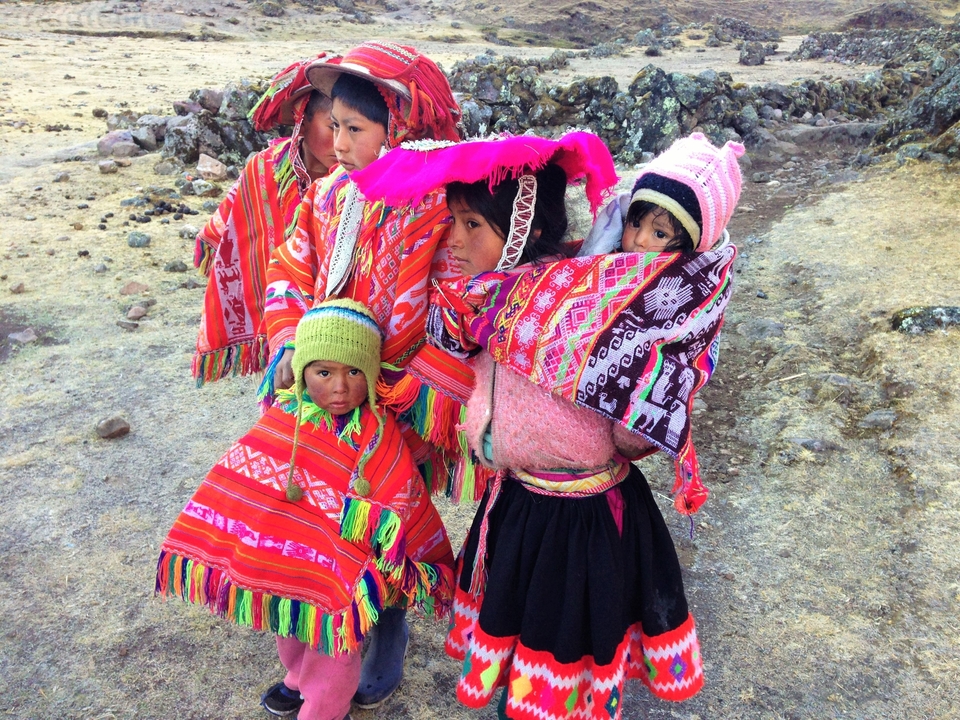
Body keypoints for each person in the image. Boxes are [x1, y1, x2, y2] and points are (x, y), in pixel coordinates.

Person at [353, 131, 743, 719]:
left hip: (582, 517)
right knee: (522, 635)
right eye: (453, 221)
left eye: (471, 225)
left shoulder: (590, 308)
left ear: (521, 232)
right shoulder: (484, 303)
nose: (452, 239)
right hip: (516, 504)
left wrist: (649, 386)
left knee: (566, 646)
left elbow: (633, 427)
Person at [261, 40, 472, 709]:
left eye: (356, 129)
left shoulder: (436, 210)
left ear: (400, 128)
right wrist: (297, 350)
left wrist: (396, 386)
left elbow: (454, 302)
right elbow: (290, 272)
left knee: (382, 511)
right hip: (326, 389)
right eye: (334, 126)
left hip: (394, 395)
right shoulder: (326, 199)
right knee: (321, 510)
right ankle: (322, 628)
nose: (339, 141)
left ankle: (387, 621)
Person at [157, 299, 454, 720]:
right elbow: (241, 484)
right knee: (289, 626)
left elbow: (399, 499)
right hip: (289, 565)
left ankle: (325, 709)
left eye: (354, 372)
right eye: (323, 372)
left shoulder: (378, 438)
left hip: (338, 572)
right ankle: (298, 678)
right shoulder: (283, 419)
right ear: (302, 372)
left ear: (370, 374)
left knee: (333, 643)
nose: (339, 388)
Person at [192, 53, 340, 385]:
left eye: (350, 126)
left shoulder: (354, 180)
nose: (341, 140)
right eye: (332, 125)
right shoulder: (263, 169)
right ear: (302, 120)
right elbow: (230, 228)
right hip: (271, 305)